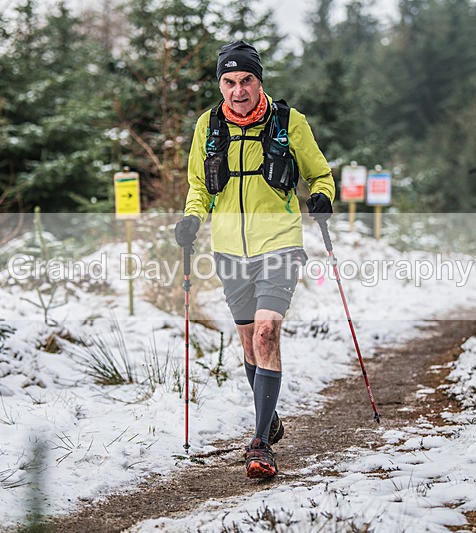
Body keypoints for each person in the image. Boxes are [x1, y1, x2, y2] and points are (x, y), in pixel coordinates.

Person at [174, 40, 335, 479]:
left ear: (258, 82)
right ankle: (271, 419)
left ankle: (260, 443)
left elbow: (319, 173)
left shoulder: (288, 122)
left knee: (266, 331)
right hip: (228, 248)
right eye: (229, 81)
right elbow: (198, 187)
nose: (238, 90)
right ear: (220, 84)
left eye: (246, 80)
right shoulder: (207, 126)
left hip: (279, 242)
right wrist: (190, 219)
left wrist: (321, 195)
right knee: (248, 340)